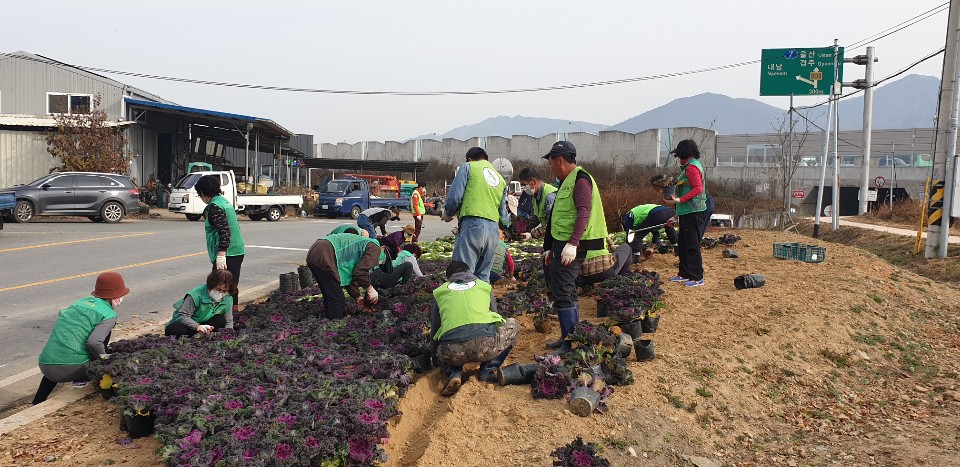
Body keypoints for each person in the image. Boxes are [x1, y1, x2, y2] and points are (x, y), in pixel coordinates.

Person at [542, 141, 608, 353]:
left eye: (551, 162)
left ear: (560, 160)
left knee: (563, 289)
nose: (550, 167)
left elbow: (583, 211)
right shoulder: (566, 181)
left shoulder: (580, 180)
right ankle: (568, 336)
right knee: (564, 289)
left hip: (573, 245)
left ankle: (570, 342)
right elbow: (558, 217)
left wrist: (572, 244)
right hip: (561, 244)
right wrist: (551, 247)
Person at [33, 272, 129, 405]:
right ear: (116, 297)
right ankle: (82, 378)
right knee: (101, 344)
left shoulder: (79, 303)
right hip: (72, 369)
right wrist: (105, 359)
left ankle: (37, 401)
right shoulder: (109, 314)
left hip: (45, 364)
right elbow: (94, 343)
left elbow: (62, 313)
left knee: (61, 353)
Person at [431, 261, 519, 396]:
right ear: (469, 273)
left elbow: (435, 329)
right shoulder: (484, 286)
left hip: (451, 352)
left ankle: (454, 372)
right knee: (513, 324)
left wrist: (436, 358)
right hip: (484, 346)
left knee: (446, 337)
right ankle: (487, 370)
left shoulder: (441, 292)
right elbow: (496, 317)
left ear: (448, 278)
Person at [441, 147, 510, 283]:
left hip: (473, 226)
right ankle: (482, 304)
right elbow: (503, 215)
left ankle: (462, 303)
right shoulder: (501, 180)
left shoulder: (468, 167)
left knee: (463, 273)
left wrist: (448, 212)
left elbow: (455, 197)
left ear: (469, 159)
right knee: (483, 276)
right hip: (493, 231)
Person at [305, 233, 391, 319]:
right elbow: (360, 272)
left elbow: (348, 277)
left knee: (331, 296)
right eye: (385, 257)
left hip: (318, 252)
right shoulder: (375, 248)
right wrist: (370, 289)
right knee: (337, 298)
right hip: (324, 253)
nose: (381, 261)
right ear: (383, 248)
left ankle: (328, 323)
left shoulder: (367, 245)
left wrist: (358, 298)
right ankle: (334, 326)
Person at [195, 174, 246, 314]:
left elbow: (224, 231)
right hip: (237, 250)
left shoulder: (215, 207)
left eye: (200, 195)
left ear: (203, 193)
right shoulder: (224, 202)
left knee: (218, 285)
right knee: (231, 284)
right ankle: (233, 314)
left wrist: (222, 253)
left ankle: (219, 315)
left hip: (228, 253)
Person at [663, 139, 708, 287]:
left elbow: (698, 188)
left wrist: (680, 200)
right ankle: (684, 274)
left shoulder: (692, 168)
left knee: (692, 244)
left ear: (683, 153)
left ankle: (697, 277)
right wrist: (676, 215)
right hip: (687, 212)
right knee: (683, 244)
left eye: (679, 154)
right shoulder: (689, 166)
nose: (678, 158)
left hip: (693, 211)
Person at [165, 270, 235, 337]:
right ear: (211, 285)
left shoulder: (228, 298)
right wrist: (197, 327)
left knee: (220, 320)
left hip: (205, 325)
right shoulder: (196, 294)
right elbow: (183, 316)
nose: (221, 293)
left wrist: (228, 334)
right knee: (177, 329)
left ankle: (203, 336)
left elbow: (228, 320)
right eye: (218, 289)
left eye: (224, 291)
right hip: (187, 325)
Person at [517, 167, 558, 241]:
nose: (523, 188)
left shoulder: (549, 196)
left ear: (533, 182)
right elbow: (536, 218)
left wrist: (532, 235)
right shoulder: (535, 196)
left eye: (524, 184)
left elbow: (552, 223)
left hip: (558, 236)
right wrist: (520, 229)